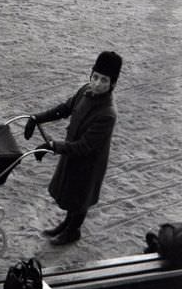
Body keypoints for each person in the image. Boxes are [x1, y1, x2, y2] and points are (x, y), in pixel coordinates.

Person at [25, 51, 123, 246]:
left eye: (104, 80)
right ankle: (67, 224)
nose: (97, 83)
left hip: (88, 162)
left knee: (80, 196)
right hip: (72, 152)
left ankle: (73, 231)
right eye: (95, 77)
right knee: (70, 192)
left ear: (112, 84)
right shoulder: (85, 91)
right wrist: (37, 118)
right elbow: (65, 108)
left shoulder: (107, 114)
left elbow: (85, 146)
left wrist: (52, 146)